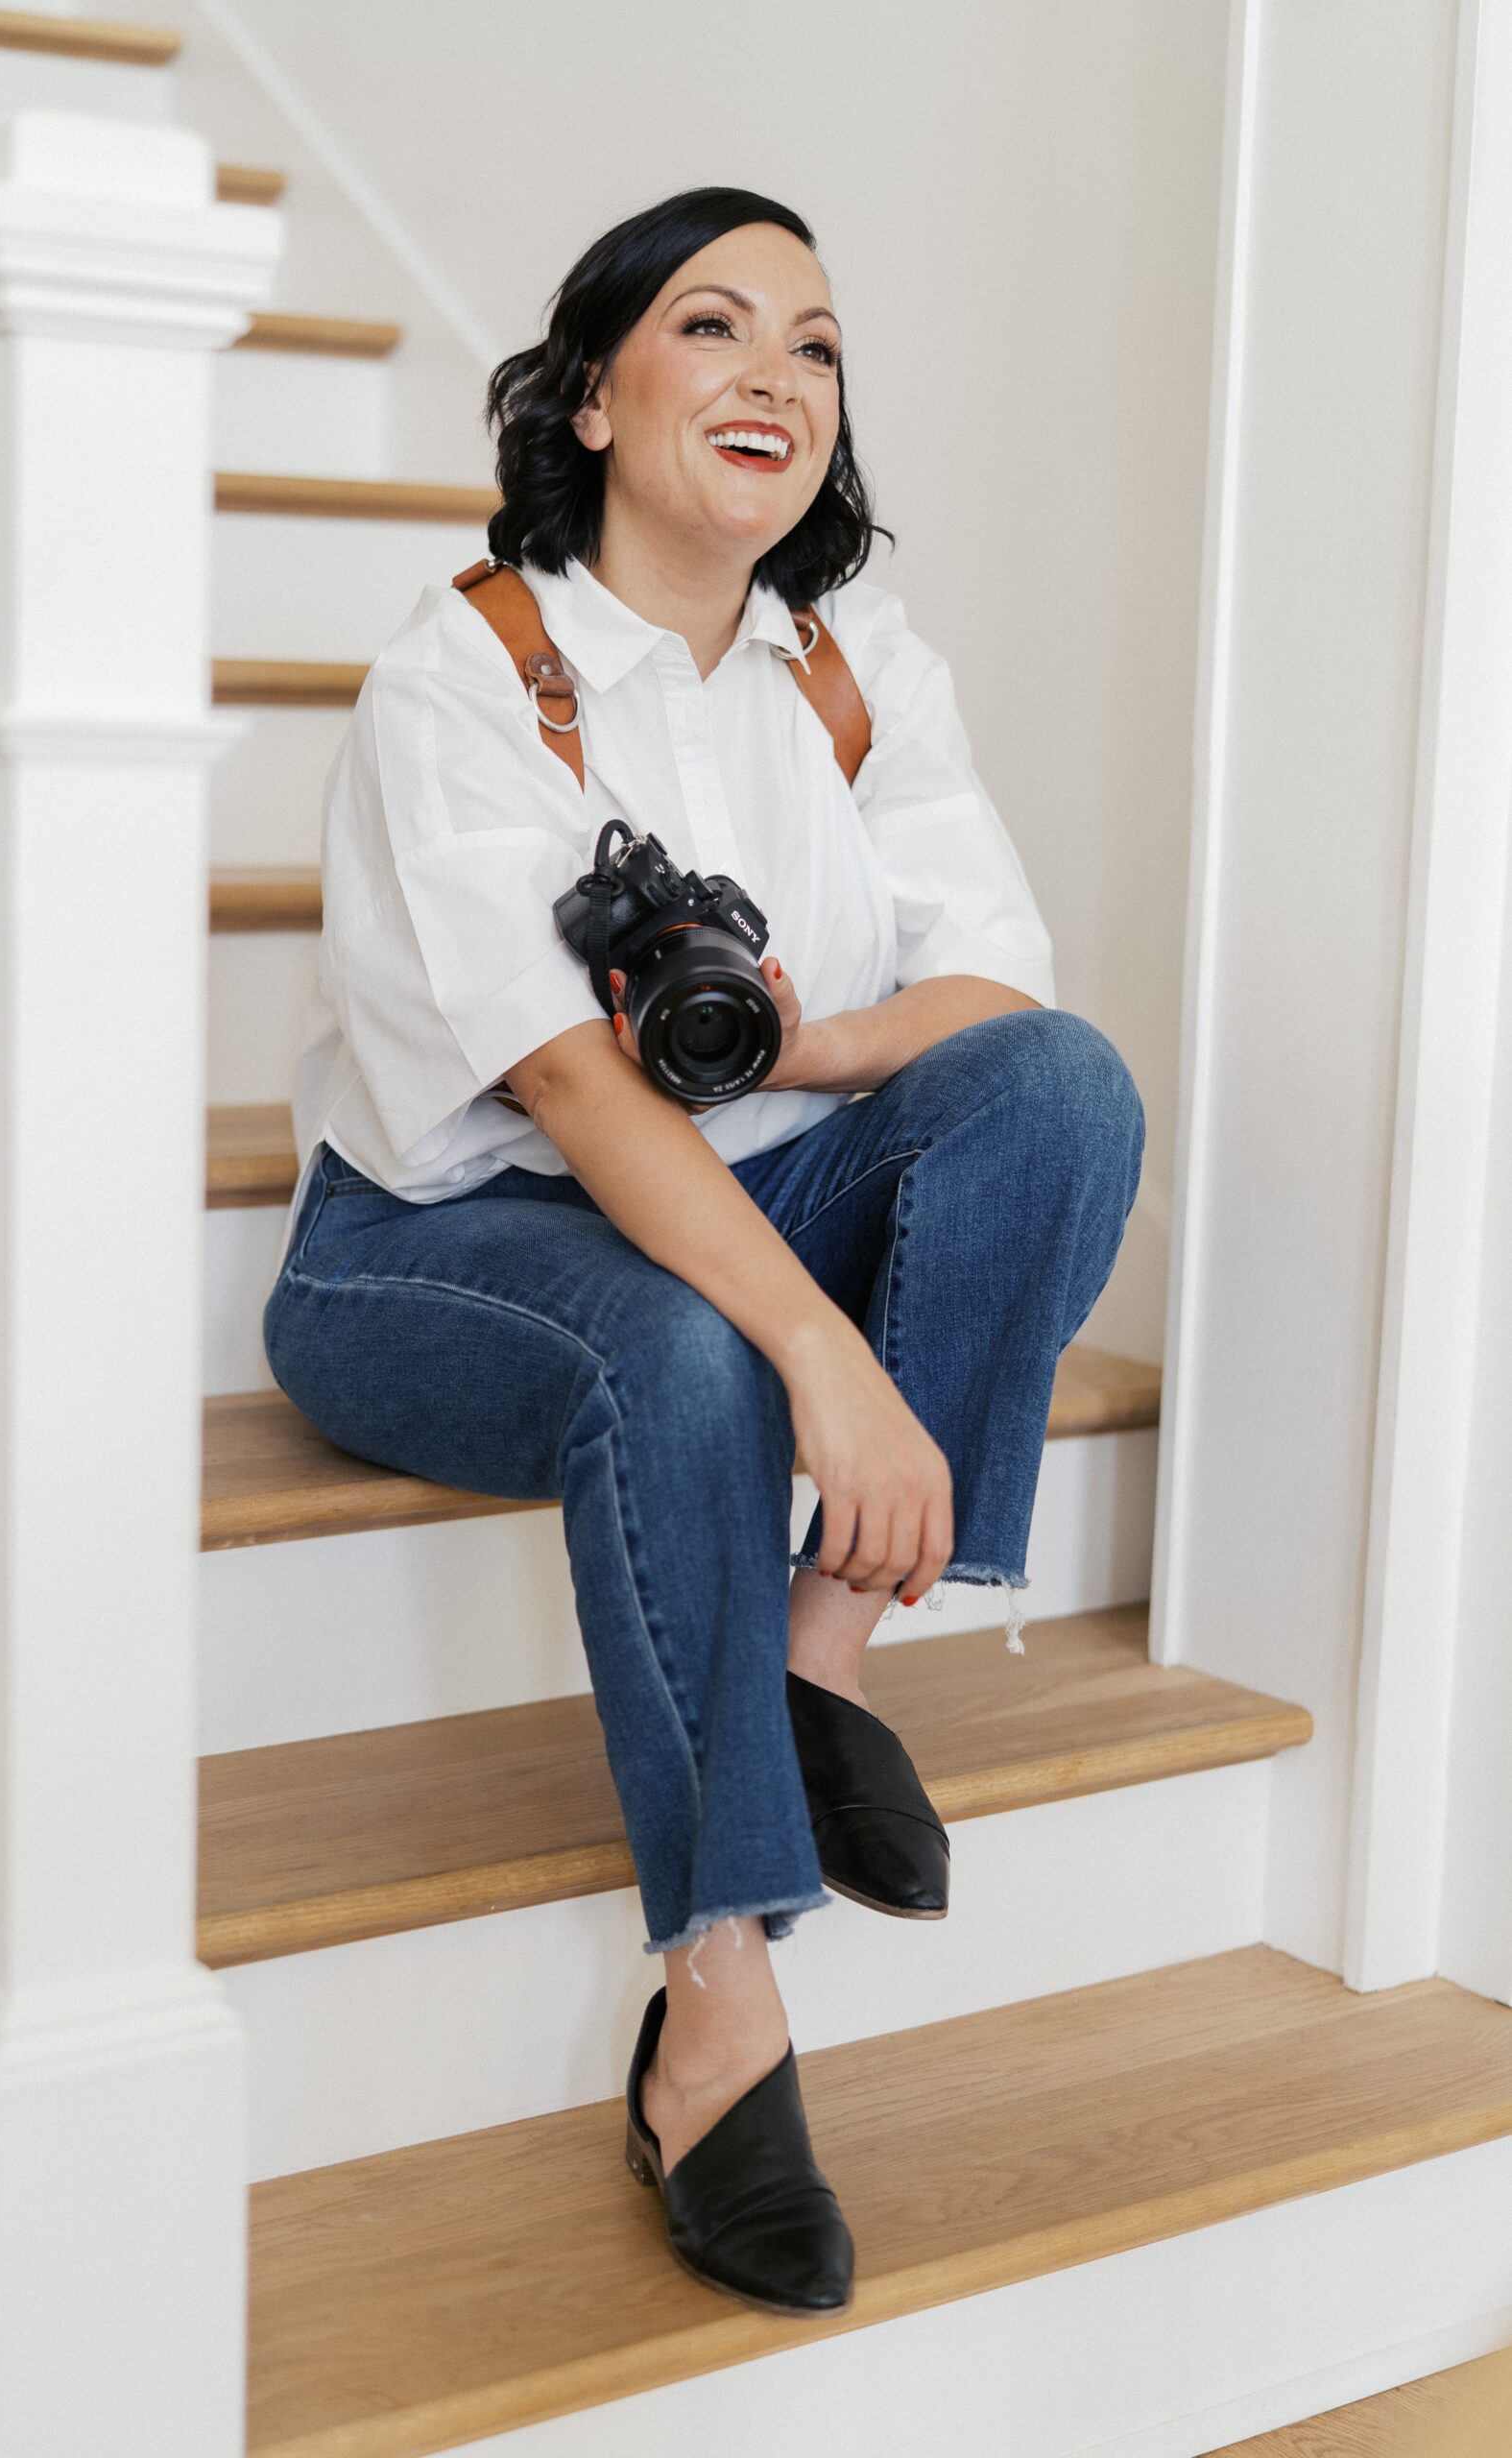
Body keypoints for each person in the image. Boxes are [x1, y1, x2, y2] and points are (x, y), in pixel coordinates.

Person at [264, 184, 1145, 2318]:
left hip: (727, 1196)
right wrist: (827, 1365)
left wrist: (809, 1034)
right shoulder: (460, 670)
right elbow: (573, 1093)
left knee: (1065, 1086)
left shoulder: (852, 671)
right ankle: (717, 1994)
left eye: (816, 345)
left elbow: (992, 997)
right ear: (595, 388)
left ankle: (812, 1674)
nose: (773, 374)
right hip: (437, 1242)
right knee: (687, 1350)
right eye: (712, 324)